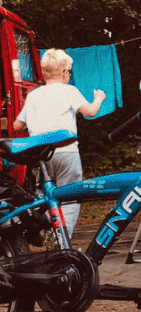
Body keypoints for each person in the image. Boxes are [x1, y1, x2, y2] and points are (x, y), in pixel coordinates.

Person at [13, 49, 106, 233]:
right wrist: (99, 98)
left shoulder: (33, 95)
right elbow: (90, 112)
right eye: (69, 72)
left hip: (41, 156)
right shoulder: (69, 91)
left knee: (44, 194)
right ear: (65, 73)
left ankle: (39, 219)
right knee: (70, 197)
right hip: (66, 153)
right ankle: (63, 242)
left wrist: (32, 123)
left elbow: (16, 125)